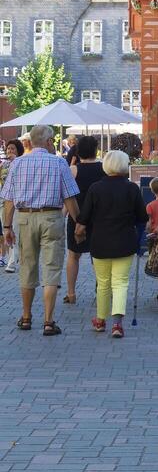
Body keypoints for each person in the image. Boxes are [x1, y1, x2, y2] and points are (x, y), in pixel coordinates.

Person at [0, 125, 81, 335]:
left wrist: (7, 227)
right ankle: (48, 321)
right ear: (47, 142)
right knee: (51, 268)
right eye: (52, 140)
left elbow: (8, 200)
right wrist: (79, 223)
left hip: (24, 218)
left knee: (27, 266)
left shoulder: (17, 163)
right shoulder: (59, 163)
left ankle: (26, 317)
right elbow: (69, 198)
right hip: (51, 217)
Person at [75, 150, 146, 338]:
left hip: (100, 241)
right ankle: (117, 324)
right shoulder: (132, 188)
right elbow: (142, 217)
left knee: (103, 283)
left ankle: (100, 320)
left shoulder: (95, 188)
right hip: (125, 242)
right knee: (121, 282)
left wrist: (79, 231)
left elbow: (84, 216)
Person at [64, 135, 106, 306]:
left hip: (77, 217)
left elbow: (68, 196)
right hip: (99, 218)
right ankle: (100, 290)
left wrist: (64, 213)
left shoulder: (73, 170)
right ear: (95, 150)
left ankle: (71, 293)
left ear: (78, 151)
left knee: (73, 256)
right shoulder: (104, 168)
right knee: (98, 257)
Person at [1, 139, 22, 273]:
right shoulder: (3, 164)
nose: (10, 151)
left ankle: (12, 262)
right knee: (5, 229)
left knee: (14, 229)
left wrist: (15, 161)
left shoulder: (21, 163)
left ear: (18, 151)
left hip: (16, 201)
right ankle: (10, 257)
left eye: (13, 149)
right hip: (3, 200)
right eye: (8, 149)